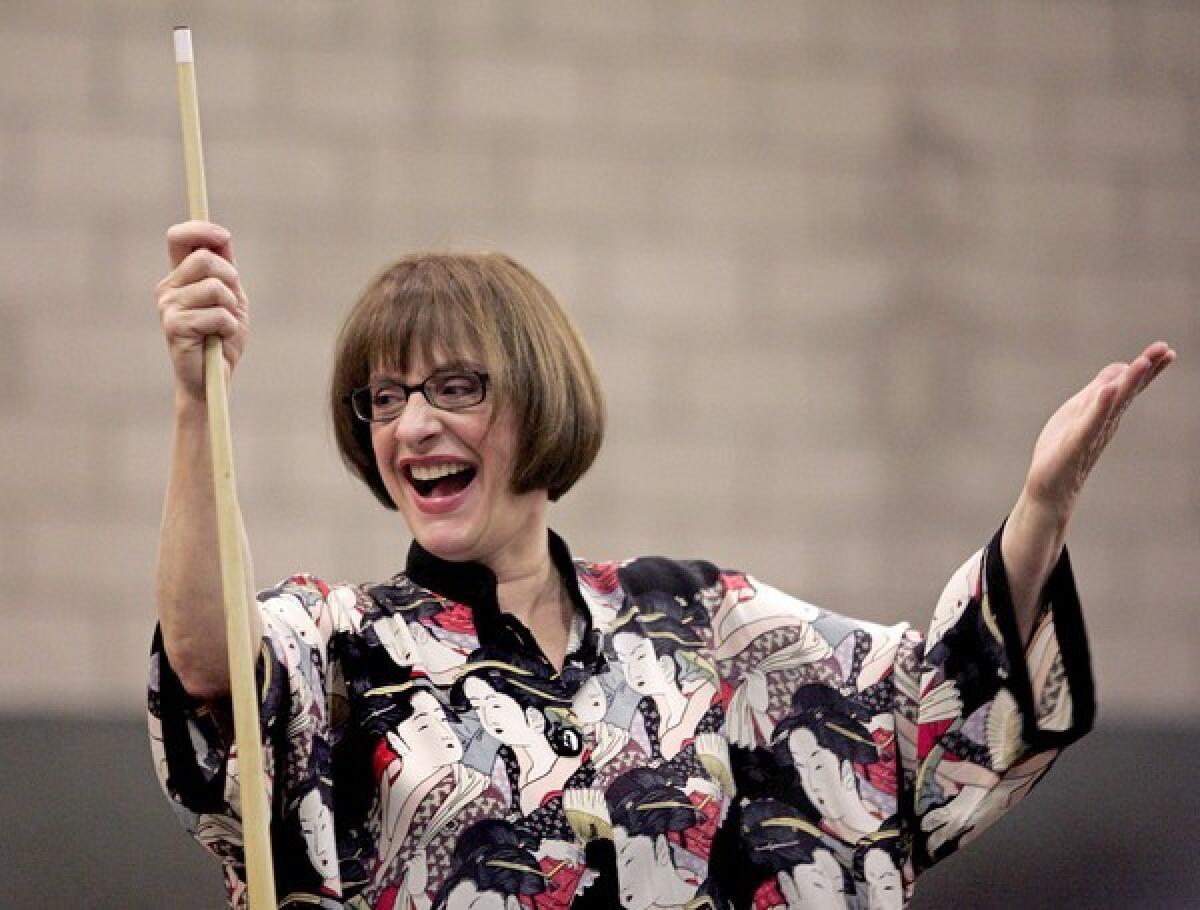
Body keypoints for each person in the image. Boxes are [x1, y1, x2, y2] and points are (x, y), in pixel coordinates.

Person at [149, 219, 1175, 909]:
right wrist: (200, 405)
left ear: (537, 398)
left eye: (453, 385)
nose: (413, 424)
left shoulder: (698, 617)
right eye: (383, 396)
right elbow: (212, 666)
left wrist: (1042, 506)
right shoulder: (338, 642)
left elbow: (924, 709)